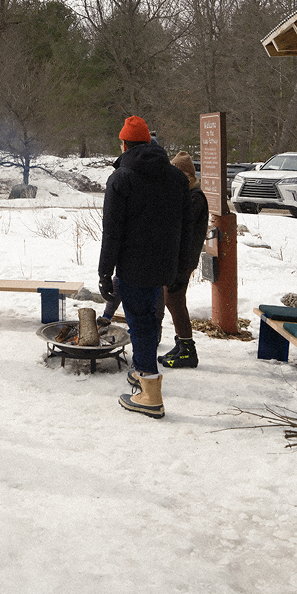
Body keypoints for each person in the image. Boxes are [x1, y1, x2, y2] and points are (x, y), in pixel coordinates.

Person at [98, 116, 188, 419]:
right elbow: (185, 228)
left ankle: (150, 393)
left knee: (140, 323)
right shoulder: (176, 178)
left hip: (133, 266)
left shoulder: (122, 178)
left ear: (123, 144)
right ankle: (142, 372)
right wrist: (181, 267)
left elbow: (112, 232)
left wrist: (103, 273)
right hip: (165, 265)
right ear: (148, 142)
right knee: (150, 318)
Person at [159, 151, 209, 369]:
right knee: (171, 299)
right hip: (177, 258)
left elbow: (182, 227)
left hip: (185, 259)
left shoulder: (195, 197)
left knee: (175, 300)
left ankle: (188, 348)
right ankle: (181, 343)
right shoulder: (185, 194)